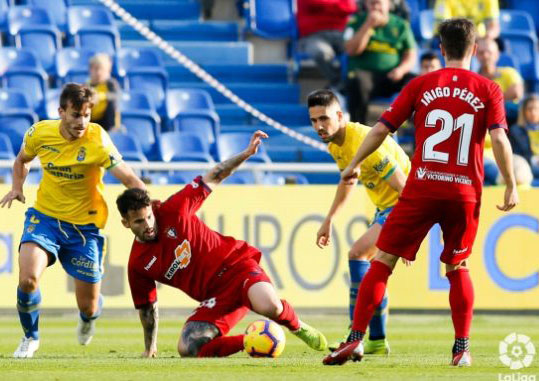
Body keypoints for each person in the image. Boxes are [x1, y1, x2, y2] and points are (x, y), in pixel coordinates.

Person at [323, 18, 518, 366]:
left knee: (382, 261)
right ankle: (461, 350)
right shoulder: (489, 88)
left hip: (423, 186)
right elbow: (501, 139)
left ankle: (355, 339)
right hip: (464, 192)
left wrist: (353, 163)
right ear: (474, 49)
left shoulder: (421, 84)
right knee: (458, 266)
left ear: (442, 50)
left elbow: (381, 129)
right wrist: (511, 184)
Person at [116, 130, 328, 358]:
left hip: (237, 268)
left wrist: (246, 154)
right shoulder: (138, 264)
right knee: (188, 347)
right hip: (215, 298)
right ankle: (254, 340)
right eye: (139, 221)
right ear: (126, 223)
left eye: (149, 217)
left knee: (270, 307)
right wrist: (150, 347)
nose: (148, 224)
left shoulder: (175, 209)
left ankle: (297, 326)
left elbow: (215, 175)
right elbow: (148, 308)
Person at [0, 83, 146, 358]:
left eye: (86, 115)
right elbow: (22, 160)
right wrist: (18, 187)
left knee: (88, 307)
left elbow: (129, 178)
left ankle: (88, 318)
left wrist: (147, 209)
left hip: (84, 229)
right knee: (28, 279)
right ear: (61, 111)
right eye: (75, 114)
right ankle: (30, 338)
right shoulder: (40, 132)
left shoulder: (97, 139)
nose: (81, 122)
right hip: (45, 218)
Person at [308, 89, 410, 354]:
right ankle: (375, 340)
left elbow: (405, 188)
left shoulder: (366, 142)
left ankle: (356, 337)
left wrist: (412, 233)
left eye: (324, 119)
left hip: (405, 204)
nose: (319, 126)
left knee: (357, 254)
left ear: (340, 116)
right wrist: (329, 219)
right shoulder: (335, 144)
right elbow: (349, 180)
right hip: (385, 207)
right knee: (371, 267)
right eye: (314, 121)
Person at [344, 0, 416, 124]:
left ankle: (415, 128)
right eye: (372, 3)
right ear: (366, 5)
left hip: (393, 76)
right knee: (356, 82)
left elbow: (410, 54)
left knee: (416, 83)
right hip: (365, 77)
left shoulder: (401, 25)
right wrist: (368, 25)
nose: (376, 7)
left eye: (379, 3)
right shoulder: (355, 22)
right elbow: (351, 50)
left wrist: (401, 70)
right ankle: (360, 128)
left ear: (388, 4)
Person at [296, 0, 357, 89]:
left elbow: (350, 7)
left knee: (356, 48)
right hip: (314, 35)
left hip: (341, 33)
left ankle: (346, 83)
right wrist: (336, 5)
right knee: (321, 53)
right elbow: (313, 3)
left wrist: (325, 7)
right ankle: (338, 82)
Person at [477, 38, 523, 125]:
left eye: (489, 52)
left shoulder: (509, 72)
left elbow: (516, 93)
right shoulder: (474, 78)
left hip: (510, 120)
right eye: (481, 52)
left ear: (497, 54)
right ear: (476, 55)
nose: (485, 56)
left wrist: (487, 101)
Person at [434, 0, 500, 39]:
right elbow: (444, 26)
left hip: (479, 38)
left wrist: (488, 37)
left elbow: (493, 26)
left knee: (492, 46)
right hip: (451, 37)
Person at [88, 53, 121, 132]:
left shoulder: (111, 84)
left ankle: (112, 129)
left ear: (108, 71)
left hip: (107, 123)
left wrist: (100, 96)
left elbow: (115, 96)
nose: (98, 72)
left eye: (102, 69)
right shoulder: (87, 85)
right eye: (95, 69)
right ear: (90, 70)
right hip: (91, 122)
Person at [509, 94, 539, 179]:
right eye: (529, 109)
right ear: (523, 111)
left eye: (536, 109)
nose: (533, 112)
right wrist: (534, 160)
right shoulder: (516, 130)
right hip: (526, 164)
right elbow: (516, 154)